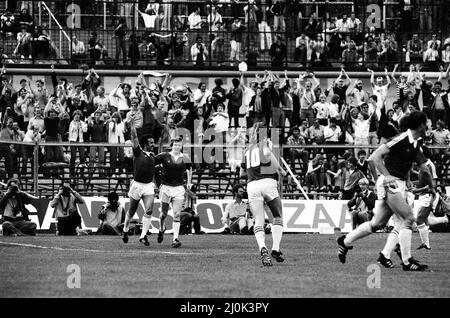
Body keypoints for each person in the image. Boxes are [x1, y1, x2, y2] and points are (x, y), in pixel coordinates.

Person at [337, 111, 431, 271]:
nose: (428, 124)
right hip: (390, 183)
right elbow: (375, 156)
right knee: (408, 218)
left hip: (396, 183)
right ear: (421, 124)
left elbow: (423, 168)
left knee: (377, 223)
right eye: (426, 122)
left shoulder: (416, 143)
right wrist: (386, 177)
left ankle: (345, 241)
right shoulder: (401, 139)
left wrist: (429, 186)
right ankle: (407, 261)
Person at [241, 123, 287, 266]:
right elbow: (267, 153)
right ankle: (276, 248)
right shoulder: (265, 142)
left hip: (252, 185)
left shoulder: (247, 149)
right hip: (267, 183)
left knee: (258, 220)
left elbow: (242, 171)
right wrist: (280, 170)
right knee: (277, 216)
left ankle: (262, 248)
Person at [121, 119, 156, 246]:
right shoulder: (137, 152)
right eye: (151, 143)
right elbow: (134, 137)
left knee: (149, 210)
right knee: (131, 211)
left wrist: (155, 184)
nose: (153, 144)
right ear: (145, 143)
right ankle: (125, 230)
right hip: (137, 185)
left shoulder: (153, 155)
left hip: (148, 186)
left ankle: (143, 236)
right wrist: (132, 126)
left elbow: (153, 172)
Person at [155, 136, 192, 248]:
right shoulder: (165, 156)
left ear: (181, 146)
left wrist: (189, 181)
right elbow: (153, 163)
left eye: (179, 145)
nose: (177, 146)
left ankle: (175, 239)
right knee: (163, 214)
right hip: (166, 188)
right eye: (175, 144)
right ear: (172, 145)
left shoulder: (185, 158)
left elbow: (189, 169)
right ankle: (162, 228)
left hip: (178, 188)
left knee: (176, 214)